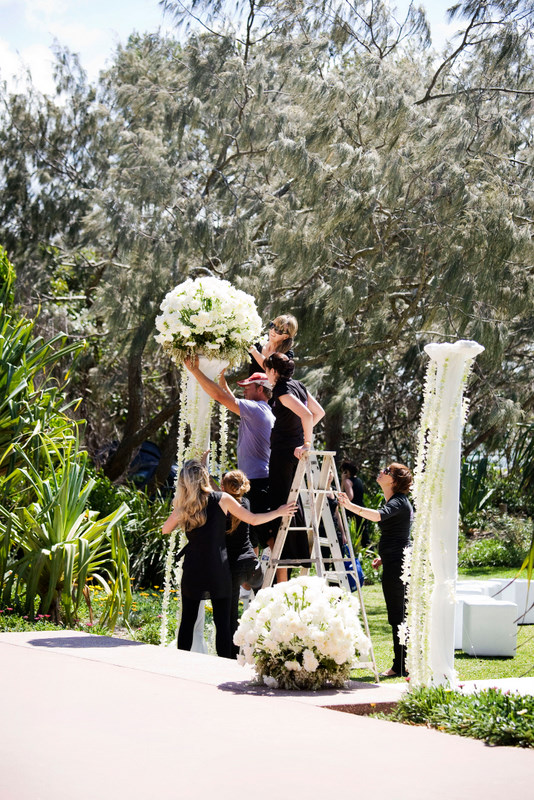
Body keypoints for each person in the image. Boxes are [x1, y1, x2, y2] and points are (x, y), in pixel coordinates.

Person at [162, 460, 297, 659]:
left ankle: (181, 663)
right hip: (218, 567)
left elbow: (165, 529)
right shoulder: (222, 498)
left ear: (184, 482)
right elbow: (252, 519)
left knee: (187, 621)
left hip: (193, 568)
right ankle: (224, 666)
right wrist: (279, 512)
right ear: (204, 478)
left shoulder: (185, 505)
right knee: (222, 624)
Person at [184, 356, 275, 547]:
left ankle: (268, 566)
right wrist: (221, 377)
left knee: (259, 539)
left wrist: (195, 371)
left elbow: (221, 397)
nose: (244, 390)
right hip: (259, 481)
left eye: (248, 387)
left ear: (260, 389)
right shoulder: (263, 410)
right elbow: (229, 397)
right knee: (253, 538)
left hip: (256, 483)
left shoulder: (255, 410)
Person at [339, 462, 413, 677]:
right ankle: (402, 663)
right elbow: (399, 533)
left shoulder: (398, 501)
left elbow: (378, 516)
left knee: (398, 615)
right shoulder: (396, 500)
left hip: (398, 564)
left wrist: (349, 506)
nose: (382, 471)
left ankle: (401, 665)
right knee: (398, 615)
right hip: (395, 561)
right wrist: (384, 557)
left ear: (394, 481)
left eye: (387, 471)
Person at [263, 352, 325, 582]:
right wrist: (299, 436)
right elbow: (319, 412)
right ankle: (294, 557)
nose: (266, 375)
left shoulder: (281, 389)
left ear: (274, 371)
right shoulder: (299, 385)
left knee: (282, 503)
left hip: (284, 452)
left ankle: (287, 560)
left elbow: (308, 415)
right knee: (290, 501)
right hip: (291, 450)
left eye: (267, 370)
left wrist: (305, 442)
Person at [220, 470, 264, 657]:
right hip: (251, 564)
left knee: (230, 615)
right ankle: (267, 646)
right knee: (264, 607)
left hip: (233, 567)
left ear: (224, 487)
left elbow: (214, 491)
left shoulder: (222, 505)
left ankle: (232, 656)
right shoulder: (245, 503)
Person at [340, 460, 370, 547]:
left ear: (346, 471)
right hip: (361, 508)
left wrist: (343, 481)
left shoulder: (347, 481)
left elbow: (350, 496)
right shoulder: (359, 480)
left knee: (347, 533)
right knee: (364, 535)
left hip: (352, 511)